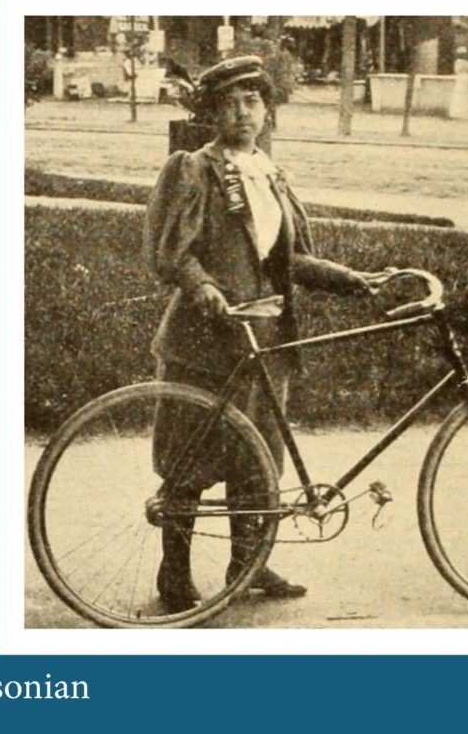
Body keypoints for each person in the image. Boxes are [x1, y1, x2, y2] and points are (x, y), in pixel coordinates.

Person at [143, 56, 379, 613]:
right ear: (212, 113)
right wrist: (201, 286)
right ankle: (173, 575)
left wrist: (352, 280)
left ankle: (248, 564)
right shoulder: (193, 169)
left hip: (264, 342)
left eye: (252, 101)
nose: (242, 113)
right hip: (204, 344)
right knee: (188, 462)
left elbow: (289, 259)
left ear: (268, 109)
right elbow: (170, 252)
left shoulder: (270, 174)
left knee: (258, 461)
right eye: (228, 104)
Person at [447, 46, 468, 120]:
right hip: (464, 78)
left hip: (461, 78)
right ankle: (461, 112)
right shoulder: (465, 62)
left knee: (463, 94)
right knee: (462, 94)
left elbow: (457, 70)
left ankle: (461, 112)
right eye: (463, 54)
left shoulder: (458, 62)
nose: (464, 55)